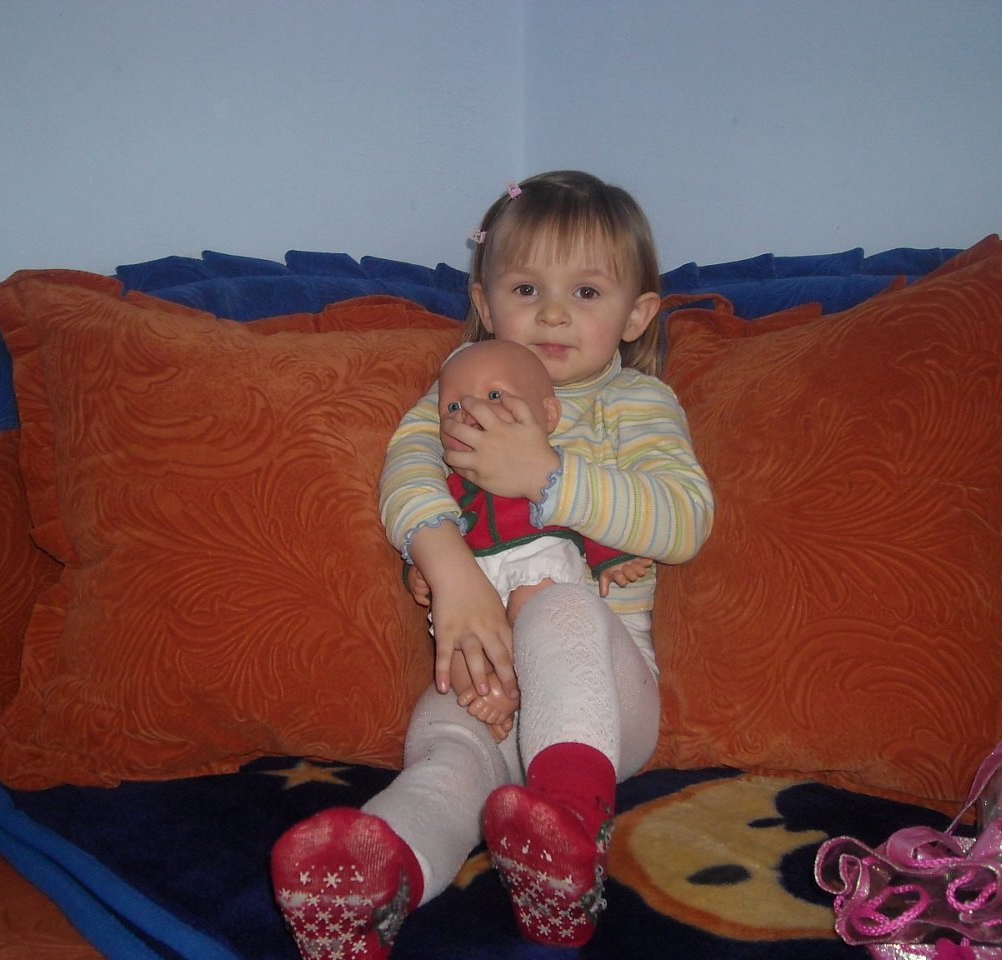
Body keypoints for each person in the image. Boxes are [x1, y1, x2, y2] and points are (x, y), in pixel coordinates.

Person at [271, 170, 714, 959]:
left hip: (606, 707)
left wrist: (546, 475)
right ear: (484, 302)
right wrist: (450, 570)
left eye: (585, 291)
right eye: (525, 288)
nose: (552, 313)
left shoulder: (636, 403)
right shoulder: (461, 389)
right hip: (481, 678)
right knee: (446, 754)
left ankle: (572, 828)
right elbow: (407, 476)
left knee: (559, 607)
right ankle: (366, 882)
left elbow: (684, 519)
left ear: (637, 313)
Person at [420, 338, 655, 740]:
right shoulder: (448, 486)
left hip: (536, 560)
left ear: (547, 414)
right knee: (457, 646)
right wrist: (422, 574)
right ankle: (484, 692)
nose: (470, 411)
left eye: (494, 395)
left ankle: (518, 685)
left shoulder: (559, 470)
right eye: (453, 407)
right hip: (475, 577)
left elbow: (585, 516)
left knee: (538, 608)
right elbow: (432, 525)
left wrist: (611, 557)